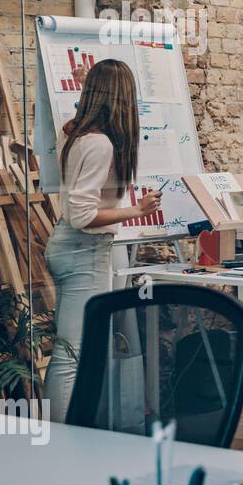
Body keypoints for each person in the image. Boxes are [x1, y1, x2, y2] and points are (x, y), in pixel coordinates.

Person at [45, 59, 161, 422]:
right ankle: (60, 440)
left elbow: (76, 115)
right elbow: (83, 215)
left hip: (68, 247)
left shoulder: (75, 132)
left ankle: (61, 432)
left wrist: (84, 85)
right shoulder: (100, 145)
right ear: (123, 98)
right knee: (72, 353)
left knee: (69, 348)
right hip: (84, 250)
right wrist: (137, 210)